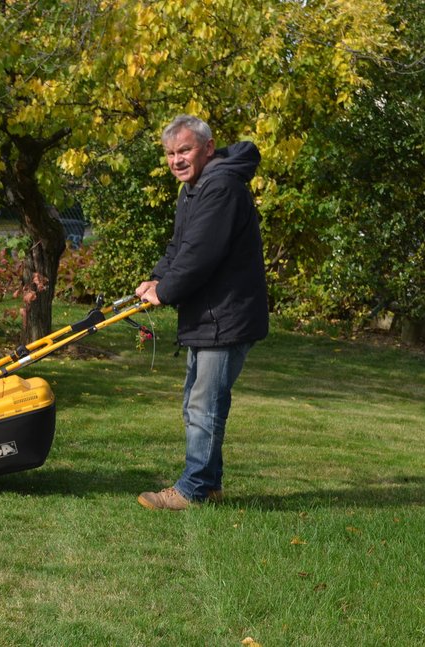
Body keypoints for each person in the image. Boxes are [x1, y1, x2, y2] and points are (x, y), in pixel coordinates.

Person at [135, 115, 268, 511]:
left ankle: (192, 489)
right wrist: (155, 280)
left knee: (203, 404)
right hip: (209, 316)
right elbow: (181, 246)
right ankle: (208, 486)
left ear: (208, 148)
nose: (177, 160)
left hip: (224, 316)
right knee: (200, 402)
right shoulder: (194, 188)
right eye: (171, 153)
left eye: (185, 150)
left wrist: (168, 290)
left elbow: (200, 256)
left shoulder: (221, 186)